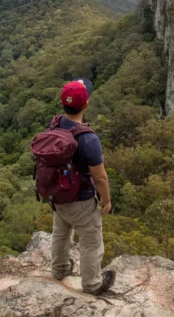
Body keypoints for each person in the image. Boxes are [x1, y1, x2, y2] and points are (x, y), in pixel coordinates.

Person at [51, 78, 116, 295]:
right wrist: (106, 200)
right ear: (86, 105)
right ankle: (92, 284)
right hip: (81, 201)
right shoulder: (88, 139)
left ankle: (59, 270)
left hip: (57, 196)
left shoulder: (54, 125)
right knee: (91, 243)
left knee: (60, 234)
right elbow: (101, 178)